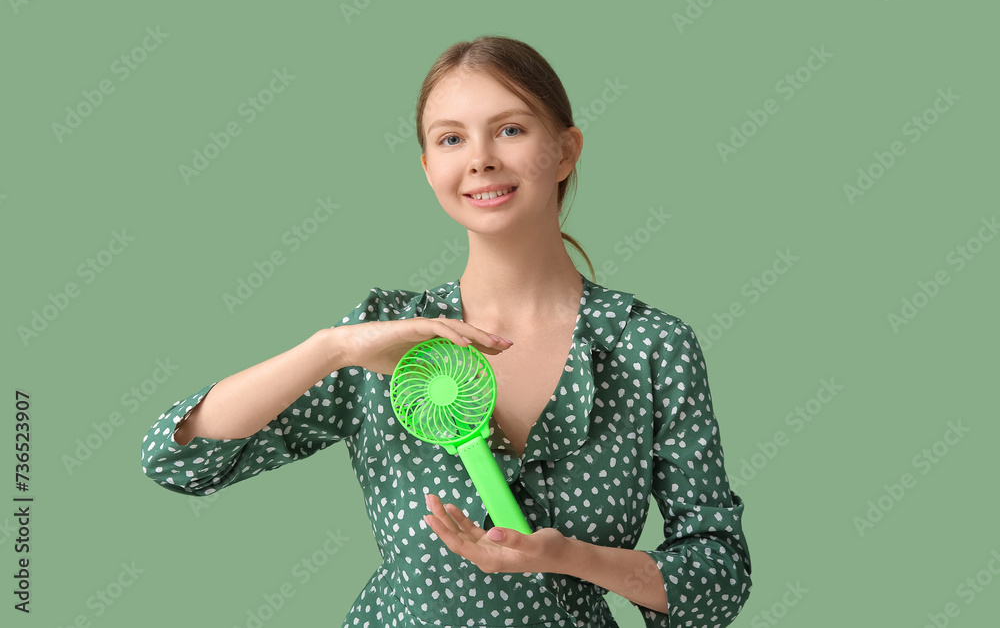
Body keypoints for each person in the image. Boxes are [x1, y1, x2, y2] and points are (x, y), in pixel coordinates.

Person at [140, 34, 752, 627]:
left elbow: (719, 574)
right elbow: (178, 458)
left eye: (510, 129)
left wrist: (568, 558)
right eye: (451, 138)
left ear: (565, 151)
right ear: (429, 166)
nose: (480, 157)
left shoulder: (652, 346)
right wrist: (336, 347)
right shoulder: (387, 336)